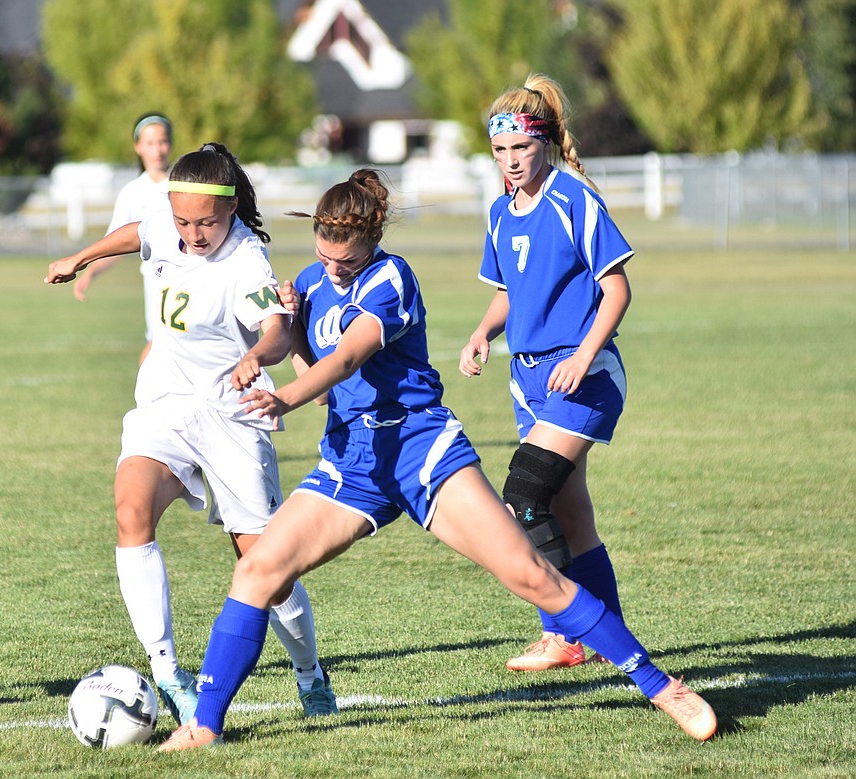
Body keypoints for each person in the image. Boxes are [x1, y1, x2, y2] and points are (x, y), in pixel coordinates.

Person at [157, 169, 716, 751]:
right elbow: (320, 380)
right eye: (324, 257)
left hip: (422, 451)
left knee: (530, 574)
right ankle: (204, 725)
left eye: (344, 261)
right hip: (353, 461)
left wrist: (282, 397)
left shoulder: (391, 278)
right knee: (257, 571)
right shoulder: (312, 281)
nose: (332, 269)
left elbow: (348, 359)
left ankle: (661, 686)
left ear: (372, 241)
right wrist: (284, 337)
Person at [45, 143, 336, 725]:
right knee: (131, 510)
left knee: (264, 566)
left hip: (231, 414)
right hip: (165, 404)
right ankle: (169, 674)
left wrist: (258, 353)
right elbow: (137, 231)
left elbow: (276, 330)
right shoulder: (164, 223)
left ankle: (308, 673)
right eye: (183, 220)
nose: (194, 232)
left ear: (230, 211)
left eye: (207, 221)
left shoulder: (246, 259)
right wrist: (81, 256)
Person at [459, 73, 632, 673]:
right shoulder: (500, 213)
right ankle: (611, 639)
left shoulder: (573, 197)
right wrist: (484, 331)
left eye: (522, 148)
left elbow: (616, 289)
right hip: (528, 380)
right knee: (570, 513)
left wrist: (583, 357)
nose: (510, 161)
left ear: (547, 143)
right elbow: (511, 291)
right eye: (500, 151)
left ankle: (562, 633)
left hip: (583, 376)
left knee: (525, 496)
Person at [71, 113, 174, 364]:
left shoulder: (184, 182)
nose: (157, 150)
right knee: (158, 348)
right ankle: (149, 402)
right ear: (138, 146)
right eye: (149, 143)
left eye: (162, 142)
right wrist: (90, 273)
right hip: (156, 282)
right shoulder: (132, 192)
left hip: (191, 277)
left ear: (170, 143)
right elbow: (115, 245)